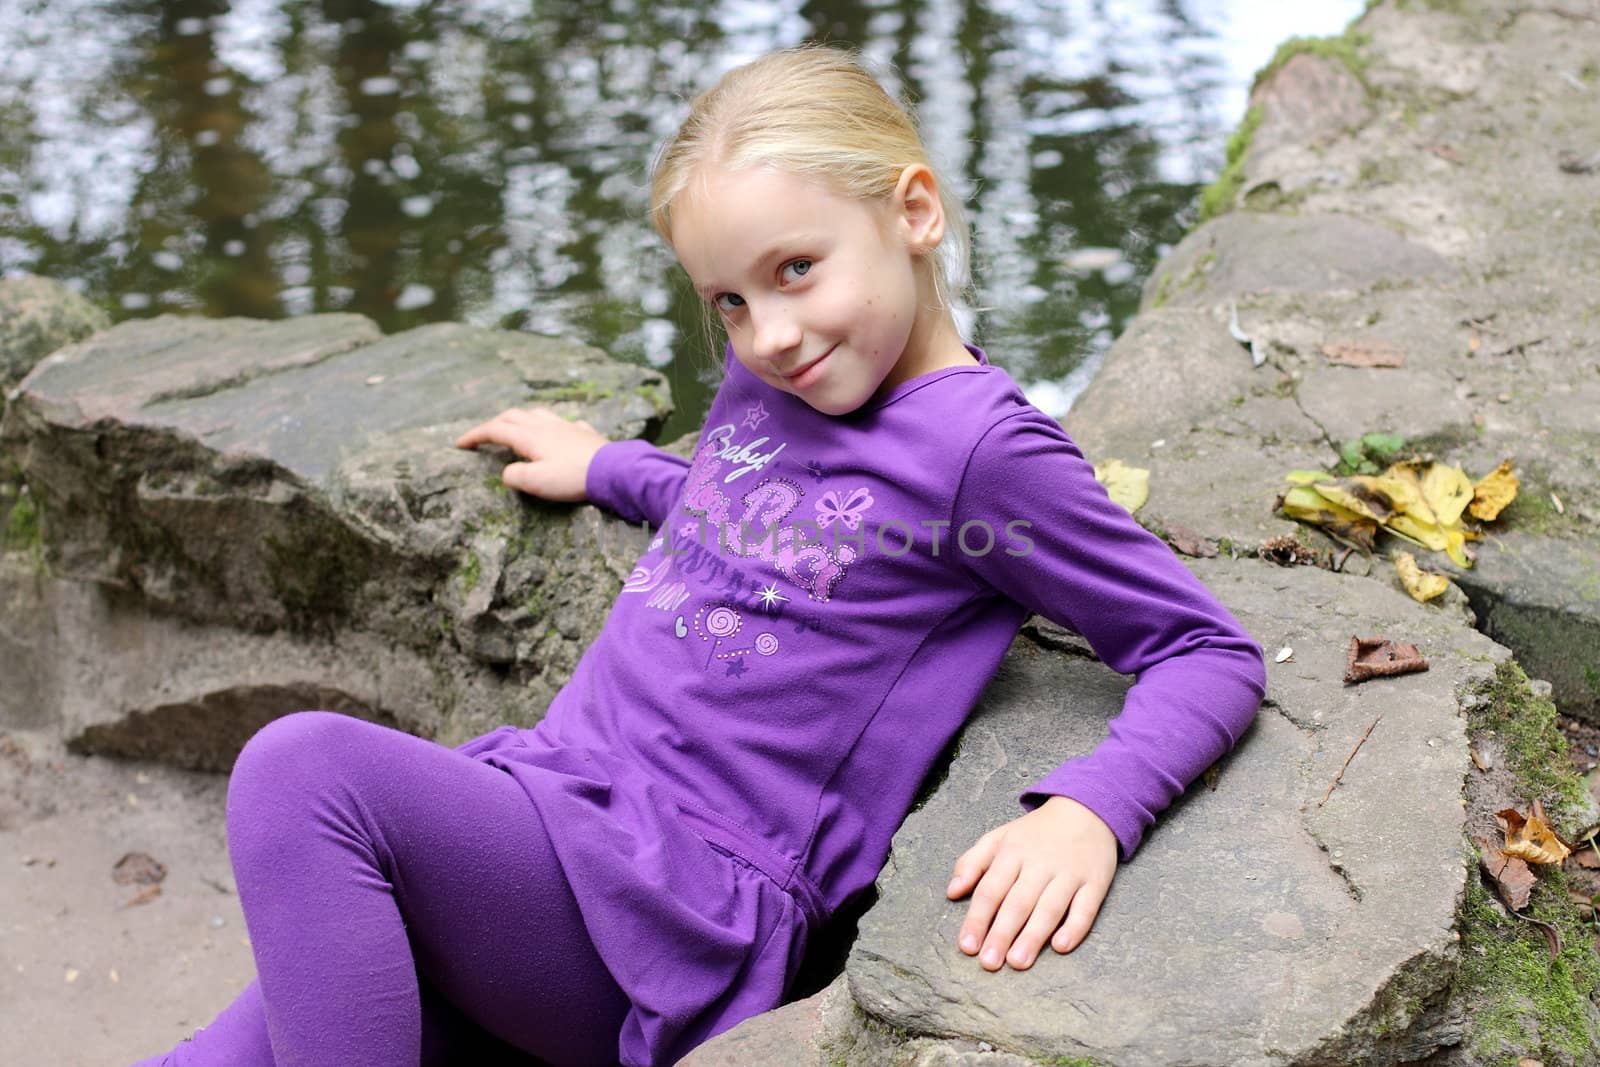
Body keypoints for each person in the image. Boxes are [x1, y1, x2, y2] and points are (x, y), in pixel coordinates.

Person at [131, 45, 1264, 1067]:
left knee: (304, 773)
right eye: (728, 300)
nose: (768, 331)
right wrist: (610, 465)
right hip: (551, 810)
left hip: (670, 905)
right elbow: (759, 518)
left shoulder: (983, 454)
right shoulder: (777, 378)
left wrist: (1090, 807)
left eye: (795, 269)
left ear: (912, 210)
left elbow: (1206, 648)